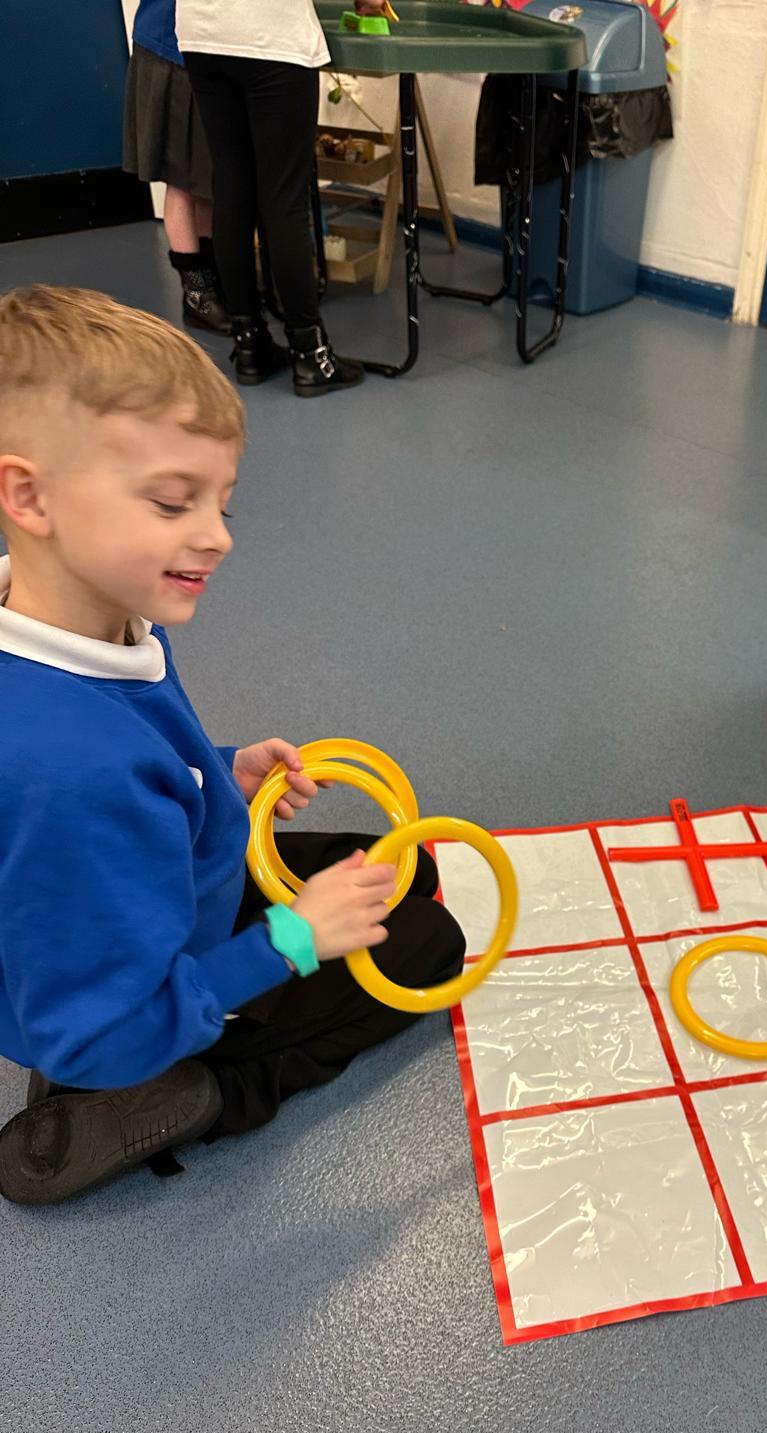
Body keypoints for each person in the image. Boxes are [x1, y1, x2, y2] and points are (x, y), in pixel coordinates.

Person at [0, 287, 465, 1205]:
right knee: (428, 943)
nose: (215, 537)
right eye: (173, 502)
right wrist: (291, 941)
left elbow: (131, 764)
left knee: (398, 869)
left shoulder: (93, 622)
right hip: (125, 1019)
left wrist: (217, 771)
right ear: (28, 496)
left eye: (223, 505)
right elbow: (93, 1032)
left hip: (158, 893)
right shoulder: (71, 772)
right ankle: (196, 1094)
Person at [175, 0, 388, 397]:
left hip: (202, 33)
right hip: (269, 35)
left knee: (232, 188)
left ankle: (250, 344)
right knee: (283, 199)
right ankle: (310, 355)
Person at [123, 0, 231, 335]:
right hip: (170, 49)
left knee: (209, 177)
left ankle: (214, 279)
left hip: (208, 49)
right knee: (181, 178)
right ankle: (197, 293)